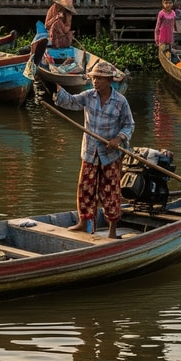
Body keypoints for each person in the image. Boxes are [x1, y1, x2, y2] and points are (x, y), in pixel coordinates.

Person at [54, 60, 134, 239]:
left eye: (99, 78)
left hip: (110, 155)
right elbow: (71, 103)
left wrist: (118, 138)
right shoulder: (88, 96)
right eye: (93, 78)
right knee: (85, 189)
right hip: (90, 153)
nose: (95, 81)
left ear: (109, 80)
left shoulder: (120, 101)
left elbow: (129, 125)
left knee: (110, 191)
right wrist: (57, 90)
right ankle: (83, 223)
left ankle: (112, 230)